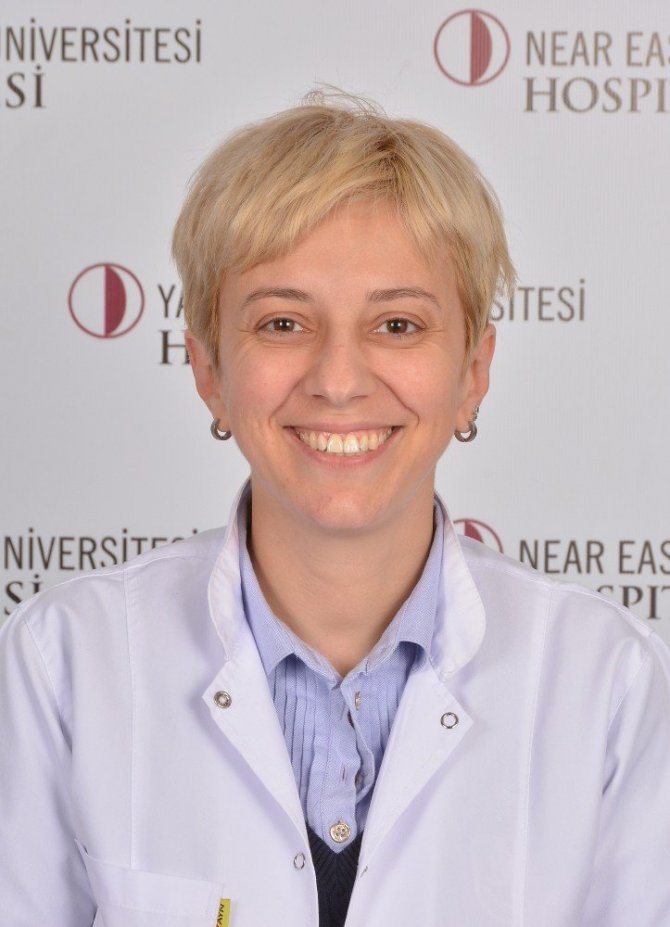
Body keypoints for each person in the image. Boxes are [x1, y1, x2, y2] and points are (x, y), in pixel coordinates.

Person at [1, 93, 669, 927]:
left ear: (473, 372)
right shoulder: (63, 664)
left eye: (398, 323)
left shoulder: (612, 682)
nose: (339, 379)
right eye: (283, 322)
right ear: (209, 370)